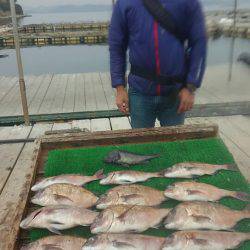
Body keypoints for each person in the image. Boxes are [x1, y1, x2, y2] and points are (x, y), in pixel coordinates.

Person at [109, 0, 207, 128]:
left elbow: (199, 44)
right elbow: (117, 46)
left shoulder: (188, 3)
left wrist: (190, 87)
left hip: (175, 92)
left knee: (174, 144)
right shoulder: (125, 3)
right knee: (141, 146)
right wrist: (120, 88)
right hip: (140, 92)